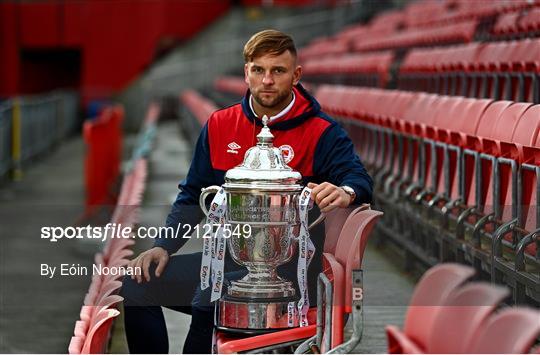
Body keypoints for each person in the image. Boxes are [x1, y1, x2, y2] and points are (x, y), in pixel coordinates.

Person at [121, 29, 373, 354]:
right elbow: (192, 194)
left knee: (206, 297)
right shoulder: (219, 124)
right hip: (226, 259)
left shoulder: (322, 132)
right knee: (136, 284)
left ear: (296, 75)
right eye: (258, 70)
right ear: (246, 73)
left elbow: (359, 178)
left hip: (290, 274)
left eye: (278, 71)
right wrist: (163, 246)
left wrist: (345, 191)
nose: (267, 80)